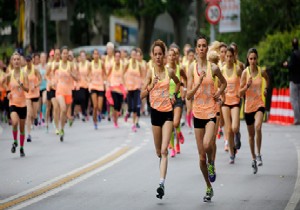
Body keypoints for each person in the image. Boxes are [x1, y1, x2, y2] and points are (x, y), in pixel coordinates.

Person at [186, 35, 227, 202]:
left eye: (204, 46)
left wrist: (218, 93)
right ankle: (208, 187)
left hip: (211, 112)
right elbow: (188, 95)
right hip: (197, 114)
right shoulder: (191, 69)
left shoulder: (214, 68)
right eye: (199, 46)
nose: (202, 48)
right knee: (201, 157)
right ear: (196, 49)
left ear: (207, 49)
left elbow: (224, 83)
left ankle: (212, 163)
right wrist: (199, 81)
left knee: (207, 143)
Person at [140, 40, 180, 199]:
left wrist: (173, 95)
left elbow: (178, 84)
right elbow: (142, 95)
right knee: (158, 151)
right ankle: (162, 165)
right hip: (155, 114)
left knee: (164, 151)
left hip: (168, 113)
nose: (157, 57)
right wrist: (151, 86)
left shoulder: (170, 71)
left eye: (160, 54)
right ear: (152, 55)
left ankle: (161, 183)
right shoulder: (150, 73)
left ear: (164, 56)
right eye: (155, 54)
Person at [240, 48, 269, 174]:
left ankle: (258, 153)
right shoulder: (245, 73)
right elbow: (239, 92)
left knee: (258, 127)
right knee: (251, 135)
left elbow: (267, 79)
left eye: (254, 58)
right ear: (248, 59)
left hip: (259, 104)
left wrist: (266, 89)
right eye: (250, 59)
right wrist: (247, 86)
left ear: (257, 59)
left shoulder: (261, 71)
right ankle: (253, 158)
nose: (252, 61)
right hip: (248, 107)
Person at [2, 52, 29, 157]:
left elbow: (27, 89)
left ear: (20, 61)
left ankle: (21, 148)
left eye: (18, 59)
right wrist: (8, 92)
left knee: (22, 128)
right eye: (15, 60)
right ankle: (15, 141)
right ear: (12, 62)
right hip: (13, 103)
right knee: (14, 122)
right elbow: (3, 83)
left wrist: (21, 84)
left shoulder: (24, 74)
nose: (16, 61)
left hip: (23, 104)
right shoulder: (9, 74)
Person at [221, 47, 242, 164]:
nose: (228, 58)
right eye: (227, 56)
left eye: (230, 56)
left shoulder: (238, 69)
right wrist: (220, 92)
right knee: (228, 130)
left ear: (234, 57)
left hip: (235, 101)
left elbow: (244, 80)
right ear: (224, 57)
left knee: (234, 127)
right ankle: (231, 153)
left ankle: (237, 133)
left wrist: (241, 92)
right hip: (225, 102)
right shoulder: (222, 69)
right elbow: (219, 84)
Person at [55, 47, 78, 141]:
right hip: (60, 90)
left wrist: (71, 74)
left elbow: (76, 78)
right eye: (63, 53)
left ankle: (62, 129)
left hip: (68, 92)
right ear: (61, 55)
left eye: (66, 53)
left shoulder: (71, 65)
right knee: (63, 108)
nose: (64, 55)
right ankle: (60, 128)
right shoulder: (57, 65)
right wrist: (52, 82)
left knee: (64, 112)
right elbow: (48, 74)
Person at [124, 48, 143, 132]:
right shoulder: (127, 64)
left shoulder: (139, 65)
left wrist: (142, 85)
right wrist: (124, 85)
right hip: (129, 87)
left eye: (135, 55)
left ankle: (134, 124)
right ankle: (128, 112)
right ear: (130, 55)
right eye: (132, 55)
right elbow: (122, 74)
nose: (134, 56)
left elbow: (142, 76)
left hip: (136, 88)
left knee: (135, 107)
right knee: (130, 107)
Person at [24, 55, 42, 142]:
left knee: (34, 114)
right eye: (26, 61)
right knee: (28, 113)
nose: (28, 63)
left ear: (32, 61)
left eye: (29, 61)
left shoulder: (35, 70)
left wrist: (36, 85)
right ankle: (29, 134)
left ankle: (36, 118)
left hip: (35, 94)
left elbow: (40, 80)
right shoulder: (23, 71)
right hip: (27, 95)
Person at [283, 38, 300, 125]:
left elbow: (292, 66)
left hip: (294, 80)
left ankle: (297, 119)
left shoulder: (293, 55)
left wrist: (287, 65)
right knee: (298, 99)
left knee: (294, 100)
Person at [108, 50, 125, 128]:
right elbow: (108, 75)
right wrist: (108, 84)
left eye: (119, 56)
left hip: (121, 88)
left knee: (119, 106)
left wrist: (125, 86)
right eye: (116, 56)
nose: (117, 58)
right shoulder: (112, 65)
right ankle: (115, 121)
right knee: (116, 104)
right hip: (113, 87)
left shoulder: (123, 65)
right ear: (114, 57)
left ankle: (115, 117)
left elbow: (124, 76)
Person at [89, 49, 105, 129]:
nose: (96, 55)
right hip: (93, 86)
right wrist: (89, 81)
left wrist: (105, 81)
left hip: (100, 86)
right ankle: (94, 121)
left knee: (99, 106)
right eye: (94, 54)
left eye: (97, 54)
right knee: (95, 106)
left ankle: (99, 113)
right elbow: (88, 74)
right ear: (92, 55)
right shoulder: (90, 64)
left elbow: (105, 73)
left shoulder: (101, 63)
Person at [38, 53, 48, 126]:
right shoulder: (37, 67)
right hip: (38, 87)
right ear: (40, 58)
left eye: (44, 57)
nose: (43, 59)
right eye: (42, 57)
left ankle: (43, 117)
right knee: (39, 104)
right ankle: (39, 116)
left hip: (45, 87)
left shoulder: (48, 66)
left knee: (44, 101)